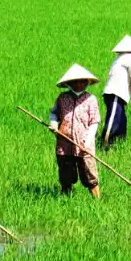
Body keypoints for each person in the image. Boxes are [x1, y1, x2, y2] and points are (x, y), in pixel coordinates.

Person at [49, 64, 101, 198]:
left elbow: (94, 122)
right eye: (75, 81)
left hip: (84, 145)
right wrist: (53, 124)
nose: (78, 84)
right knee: (66, 174)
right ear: (69, 83)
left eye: (82, 81)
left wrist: (88, 142)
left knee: (89, 174)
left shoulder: (91, 100)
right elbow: (54, 113)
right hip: (64, 143)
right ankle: (66, 197)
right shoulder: (62, 98)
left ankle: (97, 201)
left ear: (87, 82)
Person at [102, 35, 131, 148]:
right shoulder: (129, 57)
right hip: (114, 94)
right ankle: (104, 145)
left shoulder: (119, 59)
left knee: (121, 122)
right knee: (113, 122)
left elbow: (129, 85)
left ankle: (118, 146)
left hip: (118, 95)